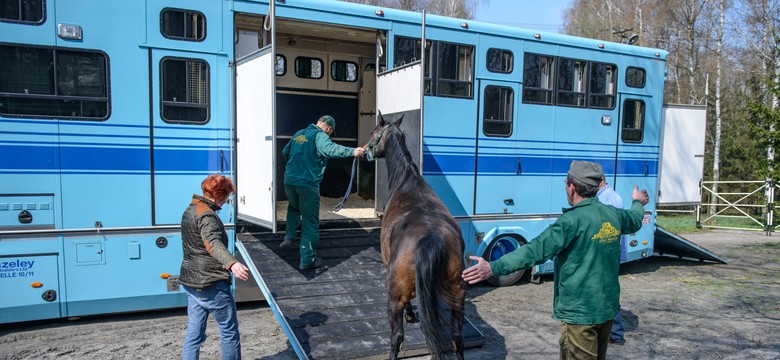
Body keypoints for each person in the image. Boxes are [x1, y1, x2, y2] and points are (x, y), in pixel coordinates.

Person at [462, 160, 649, 360]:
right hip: (607, 311)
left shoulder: (570, 222)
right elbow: (635, 218)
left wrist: (493, 267)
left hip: (580, 314)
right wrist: (637, 201)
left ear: (572, 187)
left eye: (565, 183)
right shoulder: (613, 214)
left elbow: (534, 251)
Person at [280, 115, 365, 270]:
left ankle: (289, 237)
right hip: (307, 184)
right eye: (331, 133)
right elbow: (331, 149)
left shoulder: (299, 133)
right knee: (310, 222)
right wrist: (353, 152)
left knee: (293, 208)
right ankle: (307, 260)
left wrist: (296, 167)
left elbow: (285, 152)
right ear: (329, 129)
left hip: (289, 181)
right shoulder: (320, 136)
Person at [179, 174, 250, 360]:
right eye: (226, 197)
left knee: (194, 334)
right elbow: (213, 243)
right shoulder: (207, 216)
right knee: (229, 332)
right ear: (219, 195)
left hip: (191, 282)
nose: (227, 201)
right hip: (211, 282)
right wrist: (232, 263)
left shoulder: (191, 209)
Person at [597, 174, 627, 346]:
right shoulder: (603, 196)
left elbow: (610, 231)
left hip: (608, 255)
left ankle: (616, 333)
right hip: (606, 255)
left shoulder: (610, 198)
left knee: (608, 292)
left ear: (600, 182)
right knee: (604, 291)